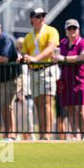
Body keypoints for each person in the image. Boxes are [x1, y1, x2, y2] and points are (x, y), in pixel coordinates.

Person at [21, 8, 59, 140]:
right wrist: (24, 57)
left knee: (47, 103)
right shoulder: (28, 37)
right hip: (33, 71)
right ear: (32, 19)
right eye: (37, 16)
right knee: (38, 104)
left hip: (46, 69)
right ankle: (42, 134)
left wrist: (35, 59)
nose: (41, 18)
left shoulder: (51, 31)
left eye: (42, 16)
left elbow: (50, 49)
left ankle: (48, 134)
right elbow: (25, 52)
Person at [53, 19, 84, 140]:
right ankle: (75, 134)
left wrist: (65, 59)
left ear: (78, 30)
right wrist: (58, 58)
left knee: (80, 110)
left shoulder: (82, 42)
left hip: (80, 80)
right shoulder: (63, 43)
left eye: (74, 28)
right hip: (66, 80)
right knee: (69, 109)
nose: (72, 31)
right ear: (66, 31)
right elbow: (56, 56)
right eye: (69, 28)